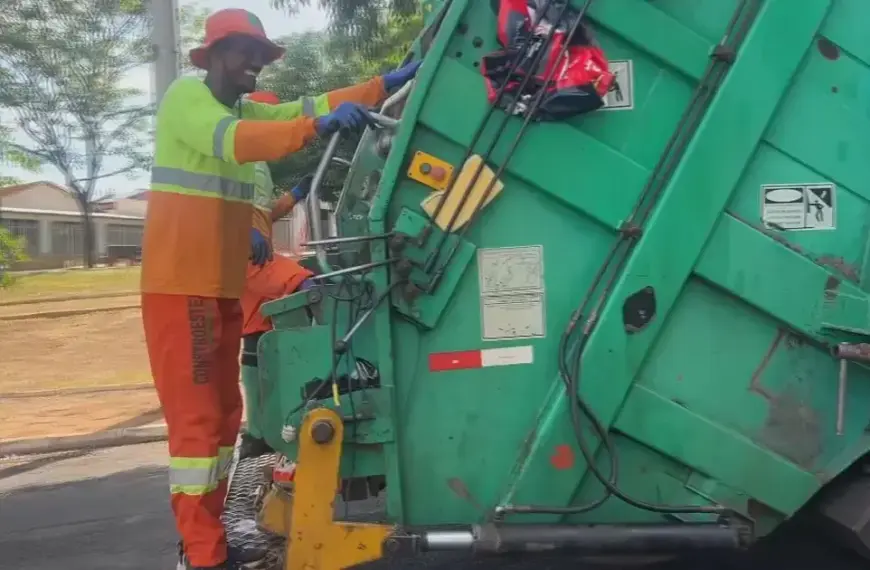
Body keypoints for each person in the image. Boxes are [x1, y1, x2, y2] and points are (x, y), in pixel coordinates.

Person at [139, 8, 421, 570]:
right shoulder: (187, 99)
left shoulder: (239, 108)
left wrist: (383, 85)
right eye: (247, 52)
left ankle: (208, 542)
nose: (257, 66)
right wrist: (314, 128)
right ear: (214, 54)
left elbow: (307, 107)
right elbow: (240, 140)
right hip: (181, 289)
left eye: (263, 57)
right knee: (198, 429)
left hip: (216, 287)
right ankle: (202, 556)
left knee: (221, 423)